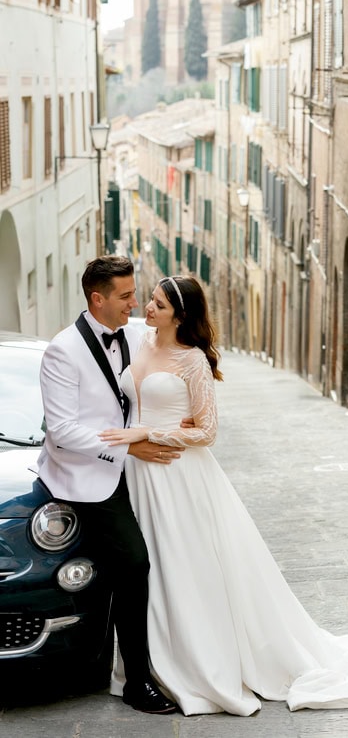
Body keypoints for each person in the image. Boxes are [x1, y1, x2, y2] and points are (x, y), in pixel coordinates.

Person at [101, 275, 348, 716]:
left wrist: (146, 431)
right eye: (150, 301)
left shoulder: (193, 361)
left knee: (187, 567)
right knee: (152, 570)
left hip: (180, 477)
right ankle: (151, 663)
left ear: (180, 314)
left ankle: (201, 665)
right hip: (137, 475)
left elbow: (208, 432)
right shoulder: (139, 341)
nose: (147, 308)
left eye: (157, 303)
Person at [38, 256, 179, 715]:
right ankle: (137, 681)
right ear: (97, 299)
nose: (134, 303)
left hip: (137, 468)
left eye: (135, 294)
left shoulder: (136, 333)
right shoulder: (62, 350)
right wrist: (126, 450)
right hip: (88, 477)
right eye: (125, 296)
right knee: (134, 564)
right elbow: (62, 430)